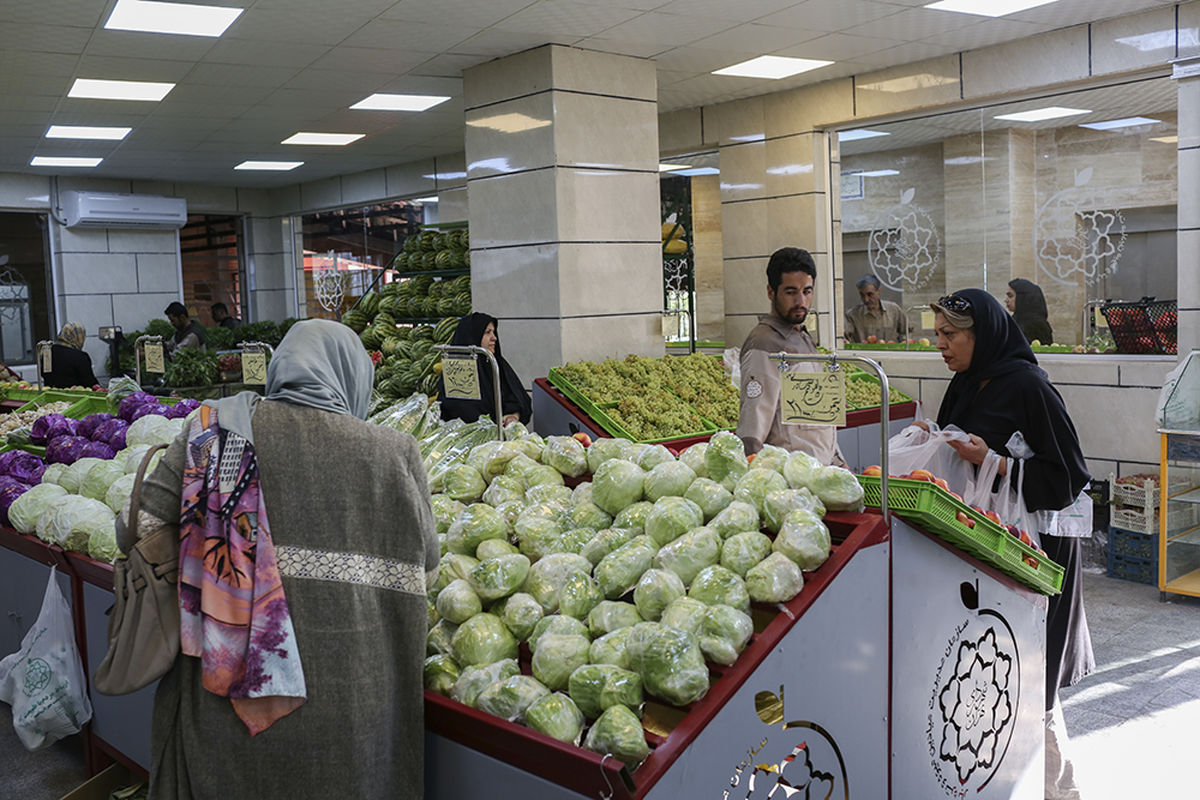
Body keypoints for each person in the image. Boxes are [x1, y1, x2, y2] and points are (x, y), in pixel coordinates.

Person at [120, 319, 438, 800]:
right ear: (353, 378)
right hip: (354, 706)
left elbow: (140, 528)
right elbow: (428, 571)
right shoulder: (392, 453)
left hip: (228, 700)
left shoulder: (212, 434)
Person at [929, 289, 1093, 800]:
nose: (941, 345)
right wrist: (931, 438)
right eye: (938, 334)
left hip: (1036, 549)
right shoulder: (965, 383)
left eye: (950, 335)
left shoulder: (1029, 387)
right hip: (990, 539)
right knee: (1005, 667)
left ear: (984, 336)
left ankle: (1054, 790)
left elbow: (1069, 475)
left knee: (1033, 676)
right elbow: (953, 436)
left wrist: (995, 462)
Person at [737, 247, 844, 465]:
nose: (801, 301)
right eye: (791, 292)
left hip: (820, 476)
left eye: (807, 291)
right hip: (789, 482)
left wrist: (838, 461)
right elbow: (752, 428)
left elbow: (819, 413)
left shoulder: (803, 338)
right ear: (770, 291)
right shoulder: (764, 344)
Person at [438, 312, 531, 426]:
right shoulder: (457, 370)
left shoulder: (496, 364)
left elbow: (518, 399)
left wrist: (513, 415)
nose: (494, 338)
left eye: (493, 332)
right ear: (472, 335)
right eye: (487, 332)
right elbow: (459, 410)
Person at [844, 274, 907, 343]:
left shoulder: (894, 310)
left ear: (879, 291)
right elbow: (846, 340)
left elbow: (906, 333)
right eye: (862, 295)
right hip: (863, 354)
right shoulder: (852, 315)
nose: (866, 299)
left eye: (870, 294)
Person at [43, 321, 98, 389]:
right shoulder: (80, 357)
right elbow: (90, 382)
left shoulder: (47, 353)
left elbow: (45, 375)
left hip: (50, 395)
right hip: (76, 397)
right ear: (78, 336)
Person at [1006, 278, 1054, 345]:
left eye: (1010, 296)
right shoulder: (1014, 319)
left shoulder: (1038, 324)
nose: (1006, 300)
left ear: (1023, 298)